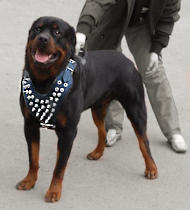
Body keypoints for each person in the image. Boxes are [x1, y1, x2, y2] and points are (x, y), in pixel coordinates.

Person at [75, 0, 188, 152]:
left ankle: (173, 131)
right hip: (112, 18)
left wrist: (156, 49)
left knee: (154, 71)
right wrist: (82, 30)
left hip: (141, 22)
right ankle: (114, 126)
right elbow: (97, 1)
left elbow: (168, 16)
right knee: (109, 72)